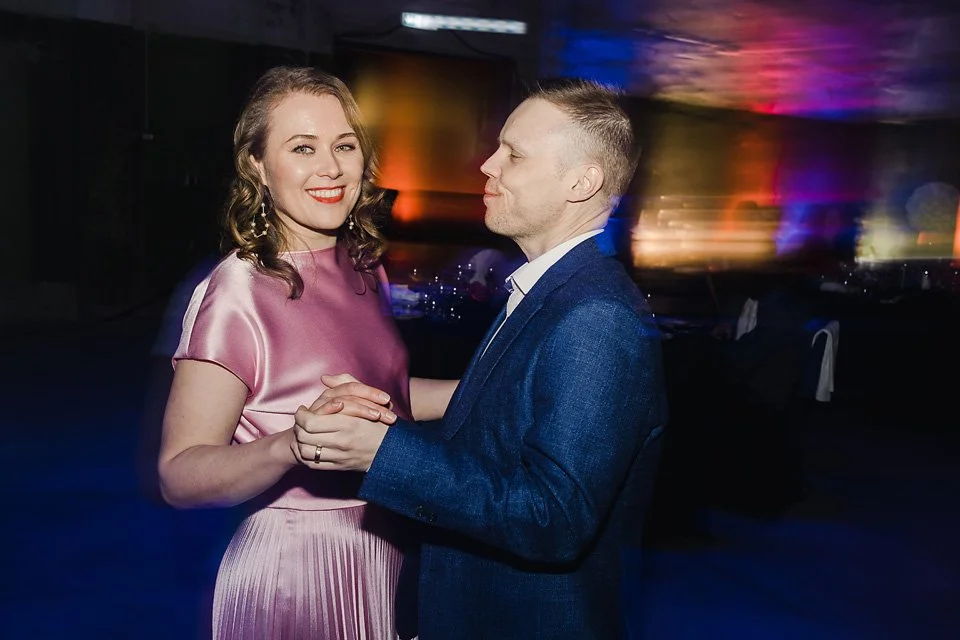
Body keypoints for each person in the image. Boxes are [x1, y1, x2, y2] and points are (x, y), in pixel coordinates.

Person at [293, 78, 668, 639]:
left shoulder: (595, 317)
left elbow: (553, 518)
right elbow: (488, 449)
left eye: (514, 154)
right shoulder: (548, 293)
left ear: (582, 182)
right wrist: (380, 424)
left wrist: (384, 453)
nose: (488, 165)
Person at [157, 66, 456, 640]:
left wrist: (492, 384)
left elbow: (384, 395)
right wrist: (291, 445)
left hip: (386, 549)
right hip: (294, 572)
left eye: (344, 145)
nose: (331, 168)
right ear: (257, 166)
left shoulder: (362, 265)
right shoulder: (238, 292)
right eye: (302, 148)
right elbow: (179, 476)